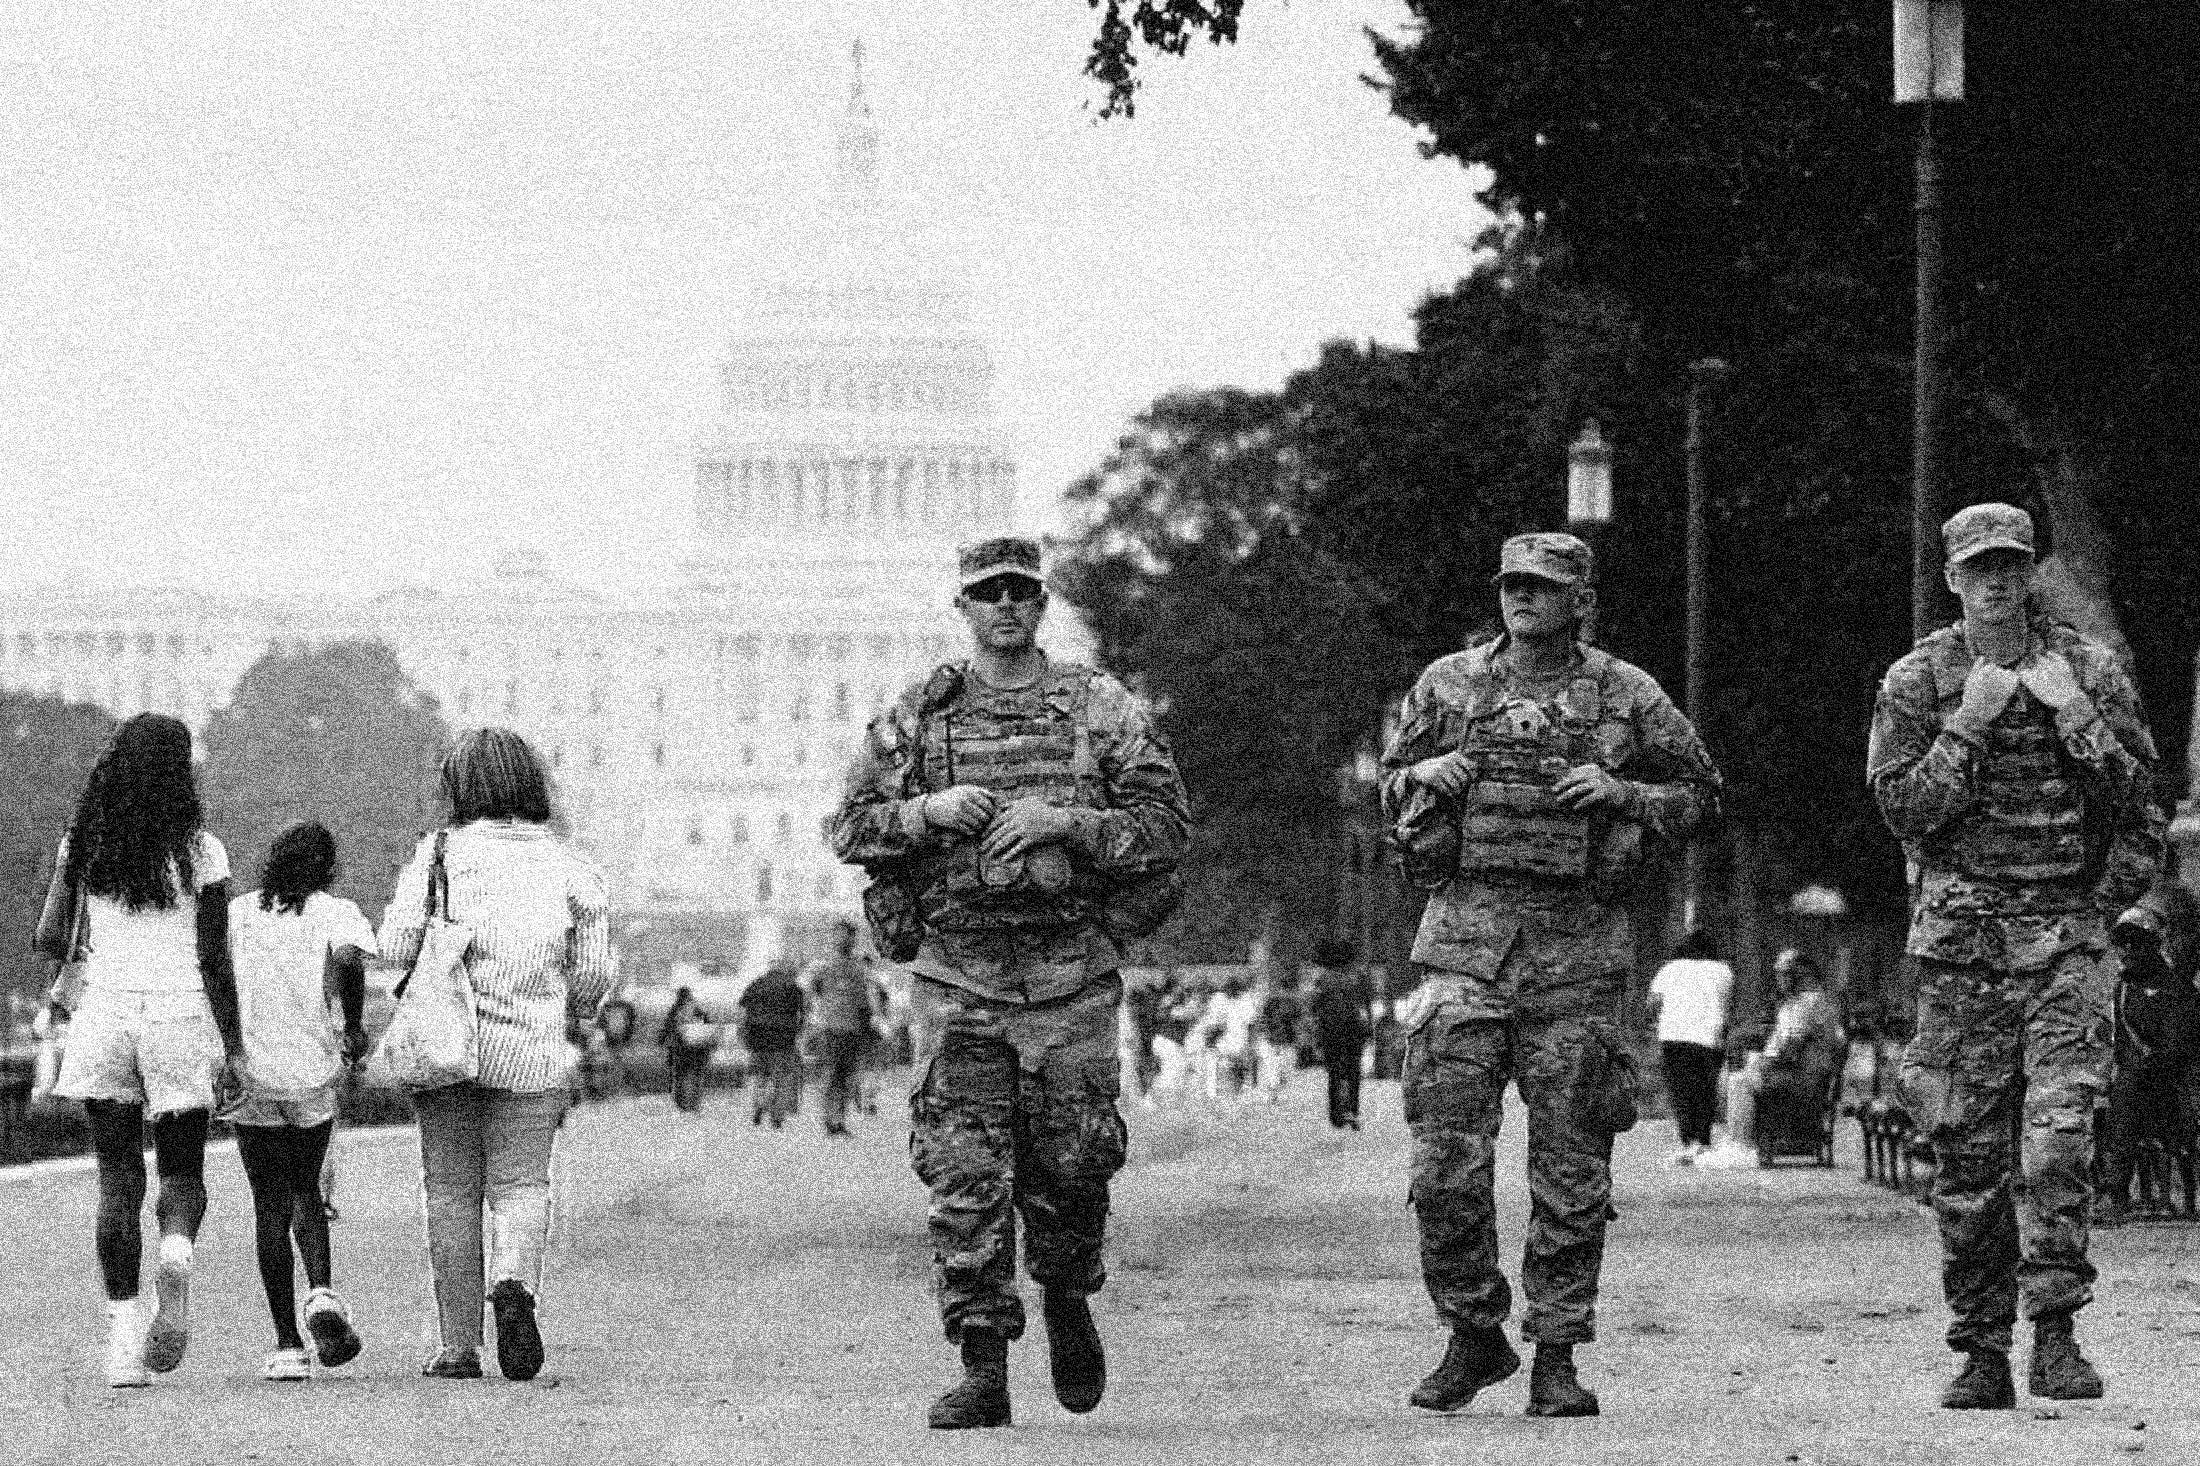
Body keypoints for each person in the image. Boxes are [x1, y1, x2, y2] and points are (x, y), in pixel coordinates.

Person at [828, 535, 1190, 1430]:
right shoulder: (919, 716)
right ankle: (982, 1361)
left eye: (1019, 592)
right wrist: (929, 811)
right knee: (964, 1175)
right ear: (963, 606)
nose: (1004, 606)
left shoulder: (1097, 707)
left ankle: (1067, 1295)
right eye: (987, 593)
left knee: (1074, 1163)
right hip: (959, 978)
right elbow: (849, 828)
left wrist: (1066, 823)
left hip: (1070, 979)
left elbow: (1165, 827)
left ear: (1041, 603)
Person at [1380, 531, 1720, 1418]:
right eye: (1512, 584)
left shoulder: (1627, 693)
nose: (1522, 597)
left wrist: (1625, 793)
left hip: (1580, 958)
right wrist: (1422, 775)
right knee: (1443, 1167)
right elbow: (1386, 788)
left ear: (1581, 601)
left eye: (1542, 585)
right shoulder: (1447, 685)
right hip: (1464, 949)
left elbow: (1703, 795)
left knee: (1572, 1175)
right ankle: (1473, 1332)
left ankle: (1557, 1356)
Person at [1869, 502, 2163, 1409]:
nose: (1996, 581)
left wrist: (2077, 719)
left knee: (2059, 1143)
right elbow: (1901, 809)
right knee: (1965, 1155)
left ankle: (2058, 1334)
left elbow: (2142, 807)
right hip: (1963, 954)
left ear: (2032, 571)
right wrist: (1969, 724)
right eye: (1979, 568)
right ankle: (1981, 1347)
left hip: (2067, 945)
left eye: (2011, 564)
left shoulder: (2088, 670)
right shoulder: (1920, 679)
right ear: (1952, 579)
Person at [381, 727, 615, 1383]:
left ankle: (459, 1347)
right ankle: (513, 1283)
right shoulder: (571, 866)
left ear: (460, 788)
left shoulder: (438, 854)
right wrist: (568, 1007)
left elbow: (393, 946)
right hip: (533, 1049)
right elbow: (593, 976)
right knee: (521, 1184)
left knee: (451, 1191)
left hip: (445, 1046)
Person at [34, 713, 244, 1388]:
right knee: (182, 1172)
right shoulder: (203, 852)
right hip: (179, 1016)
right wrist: (234, 1048)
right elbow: (215, 959)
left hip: (104, 1016)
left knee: (118, 1179)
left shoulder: (86, 843)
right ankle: (175, 1255)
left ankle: (124, 1341)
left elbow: (49, 937)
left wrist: (75, 886)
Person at [223, 820, 373, 1380]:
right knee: (307, 1188)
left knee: (268, 1202)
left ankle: (287, 1345)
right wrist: (352, 1026)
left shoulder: (239, 913)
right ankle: (322, 1292)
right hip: (311, 1073)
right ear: (326, 868)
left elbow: (214, 972)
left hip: (254, 1074)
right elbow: (351, 961)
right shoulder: (337, 912)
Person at [2095, 884, 2200, 1225]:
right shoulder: (2121, 988)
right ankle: (2110, 1193)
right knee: (2110, 1103)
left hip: (2172, 1084)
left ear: (2153, 946)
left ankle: (2118, 1193)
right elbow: (2116, 1042)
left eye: (2135, 943)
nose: (2126, 951)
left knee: (2129, 1097)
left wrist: (2139, 1070)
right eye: (2122, 943)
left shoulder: (2177, 989)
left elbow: (2178, 1048)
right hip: (2133, 1082)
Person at [1646, 930, 1735, 1163]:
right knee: (1705, 1090)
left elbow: (1653, 1002)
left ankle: (1687, 1141)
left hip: (1673, 1036)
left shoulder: (1669, 969)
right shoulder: (1723, 970)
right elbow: (1726, 1005)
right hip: (1708, 1039)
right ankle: (1703, 1141)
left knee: (1682, 1091)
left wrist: (1657, 1022)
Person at [803, 920, 882, 1137]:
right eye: (839, 935)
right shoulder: (822, 966)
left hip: (853, 1029)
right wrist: (814, 1019)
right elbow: (809, 994)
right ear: (833, 937)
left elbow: (866, 1000)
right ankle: (831, 1119)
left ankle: (839, 1120)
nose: (843, 940)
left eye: (848, 936)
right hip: (830, 1029)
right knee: (831, 1074)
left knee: (847, 1076)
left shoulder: (859, 968)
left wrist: (869, 1023)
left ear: (853, 939)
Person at [1305, 939, 1373, 1130]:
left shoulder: (1322, 979)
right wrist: (1369, 1029)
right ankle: (1353, 1110)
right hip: (1354, 1030)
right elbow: (1366, 1007)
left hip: (1330, 1031)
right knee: (1354, 1071)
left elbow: (1313, 1007)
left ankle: (1336, 1114)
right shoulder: (1359, 977)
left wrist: (1316, 1033)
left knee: (1334, 1072)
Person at [738, 961, 807, 1129]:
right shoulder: (792, 987)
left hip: (758, 1038)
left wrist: (745, 1033)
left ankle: (759, 1104)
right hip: (783, 1040)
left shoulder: (757, 984)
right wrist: (798, 1031)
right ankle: (777, 1116)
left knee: (761, 1075)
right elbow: (803, 1013)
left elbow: (743, 1009)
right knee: (782, 1077)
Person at [1188, 971, 1259, 1102]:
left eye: (1235, 989)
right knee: (1213, 1064)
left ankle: (1238, 1091)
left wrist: (1250, 1044)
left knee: (1237, 1067)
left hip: (1237, 1041)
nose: (1231, 992)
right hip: (1222, 1042)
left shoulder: (1246, 1000)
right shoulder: (1219, 998)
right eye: (1229, 989)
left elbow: (1251, 1025)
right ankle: (1212, 1093)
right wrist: (1211, 1037)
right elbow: (1214, 1022)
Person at [660, 986, 716, 1115]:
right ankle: (694, 1103)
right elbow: (708, 1029)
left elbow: (667, 1030)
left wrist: (662, 1042)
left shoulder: (675, 1011)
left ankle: (682, 1105)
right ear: (690, 996)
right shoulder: (699, 1011)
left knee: (680, 1077)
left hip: (681, 1051)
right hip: (699, 1050)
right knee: (697, 1076)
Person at [1253, 970, 1303, 1103]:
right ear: (1281, 988)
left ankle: (1275, 1086)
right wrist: (1265, 1034)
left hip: (1289, 1041)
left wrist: (1299, 1038)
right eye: (1284, 989)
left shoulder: (1294, 1004)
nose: (1286, 993)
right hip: (1273, 1040)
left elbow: (1299, 1022)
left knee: (1286, 1070)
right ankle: (1272, 1092)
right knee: (1273, 1067)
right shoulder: (1271, 1002)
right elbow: (1263, 1019)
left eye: (1289, 990)